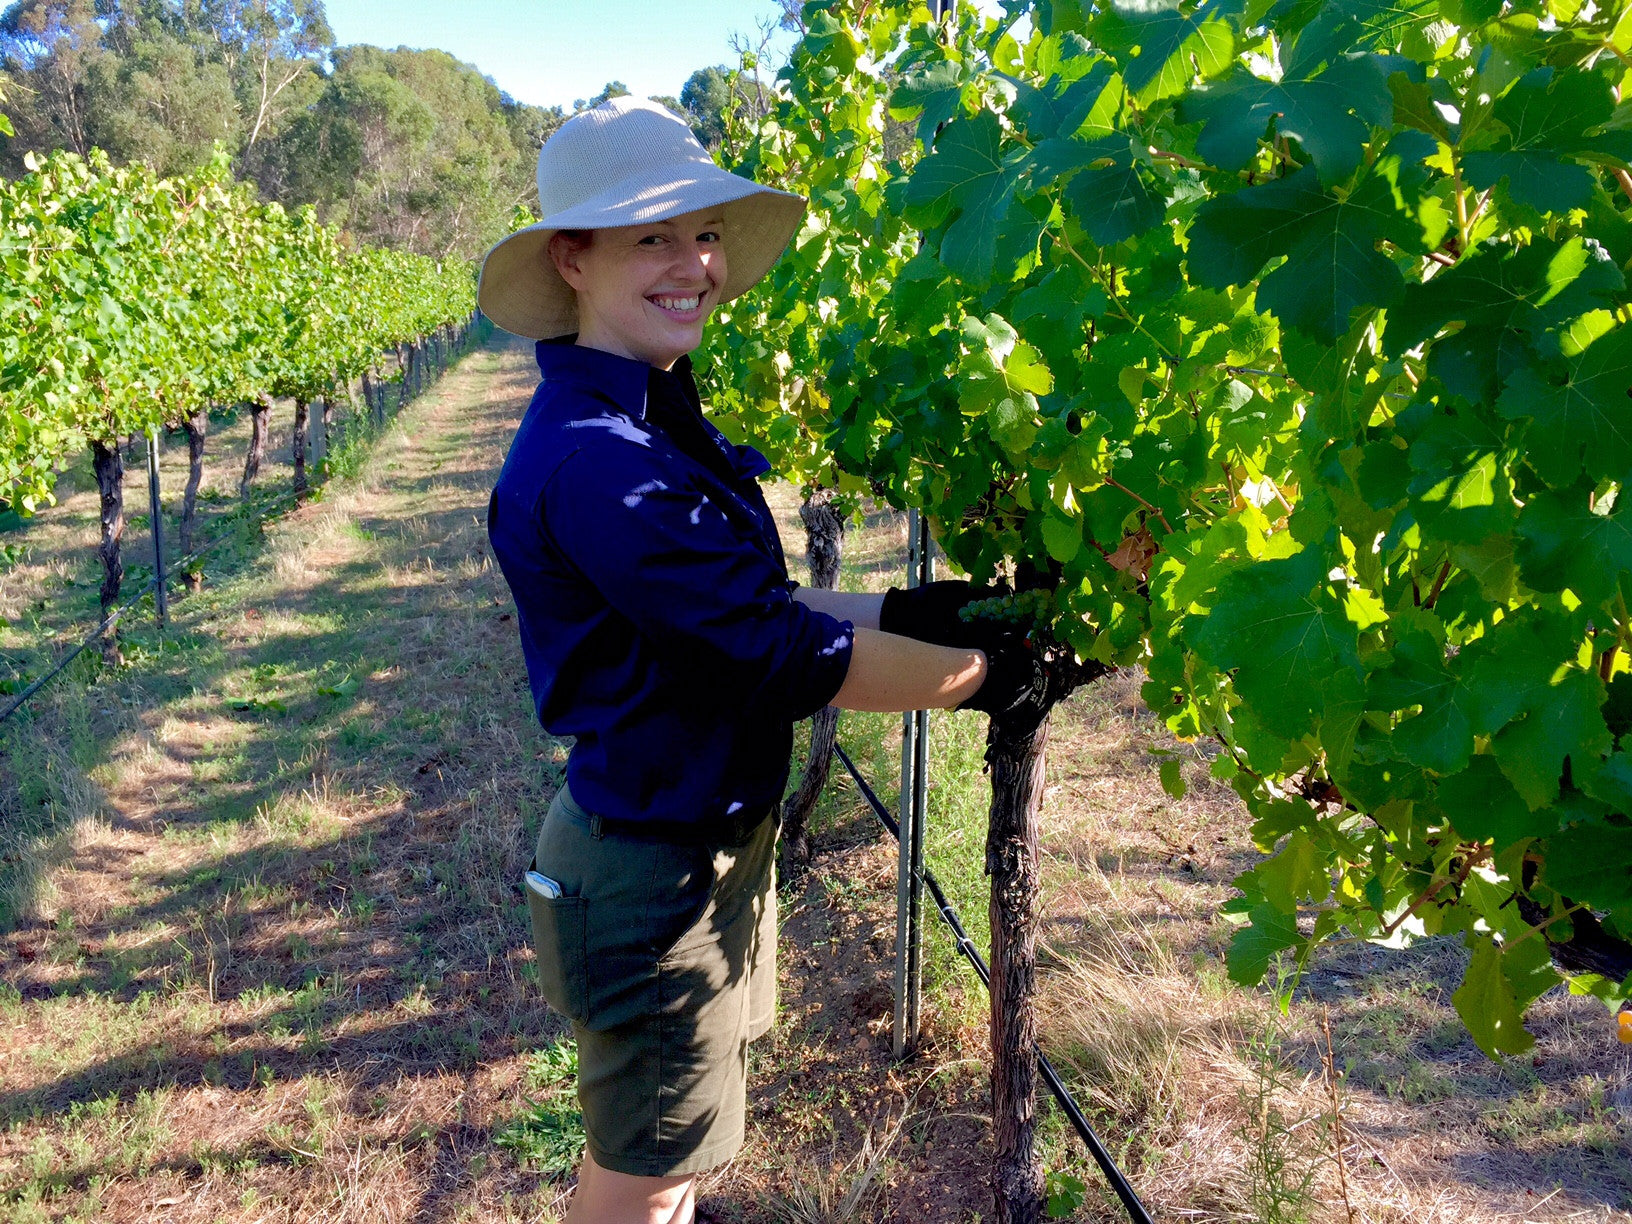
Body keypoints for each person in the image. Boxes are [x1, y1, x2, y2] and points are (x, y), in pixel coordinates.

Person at [479, 97, 1043, 1224]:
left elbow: (753, 602)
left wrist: (915, 609)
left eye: (704, 233)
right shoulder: (599, 464)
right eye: (652, 236)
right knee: (643, 1182)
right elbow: (773, 652)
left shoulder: (650, 422)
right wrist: (994, 681)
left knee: (676, 1161)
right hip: (656, 876)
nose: (694, 263)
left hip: (704, 847)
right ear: (571, 260)